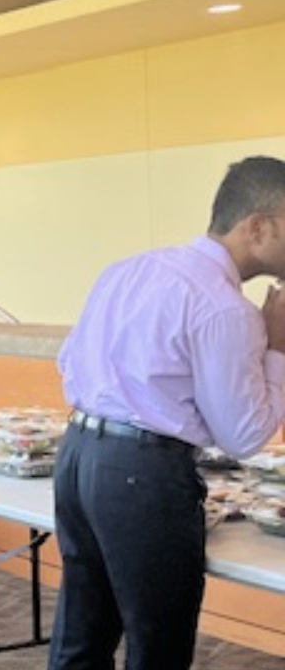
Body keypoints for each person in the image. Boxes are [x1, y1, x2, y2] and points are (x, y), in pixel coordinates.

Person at [49, 156, 285, 670]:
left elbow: (68, 362)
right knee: (158, 650)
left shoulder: (129, 269)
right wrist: (278, 349)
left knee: (81, 639)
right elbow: (244, 436)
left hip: (77, 456)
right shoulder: (226, 309)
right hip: (141, 477)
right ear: (259, 226)